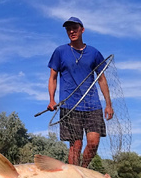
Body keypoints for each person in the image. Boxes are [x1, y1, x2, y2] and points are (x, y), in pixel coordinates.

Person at [47, 16, 114, 168]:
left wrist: (109, 104)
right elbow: (53, 77)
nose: (71, 31)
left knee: (93, 143)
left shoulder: (94, 53)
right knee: (75, 145)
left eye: (74, 28)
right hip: (70, 105)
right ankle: (75, 177)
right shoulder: (60, 51)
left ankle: (83, 171)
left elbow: (102, 79)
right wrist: (51, 99)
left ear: (82, 30)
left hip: (92, 105)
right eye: (68, 29)